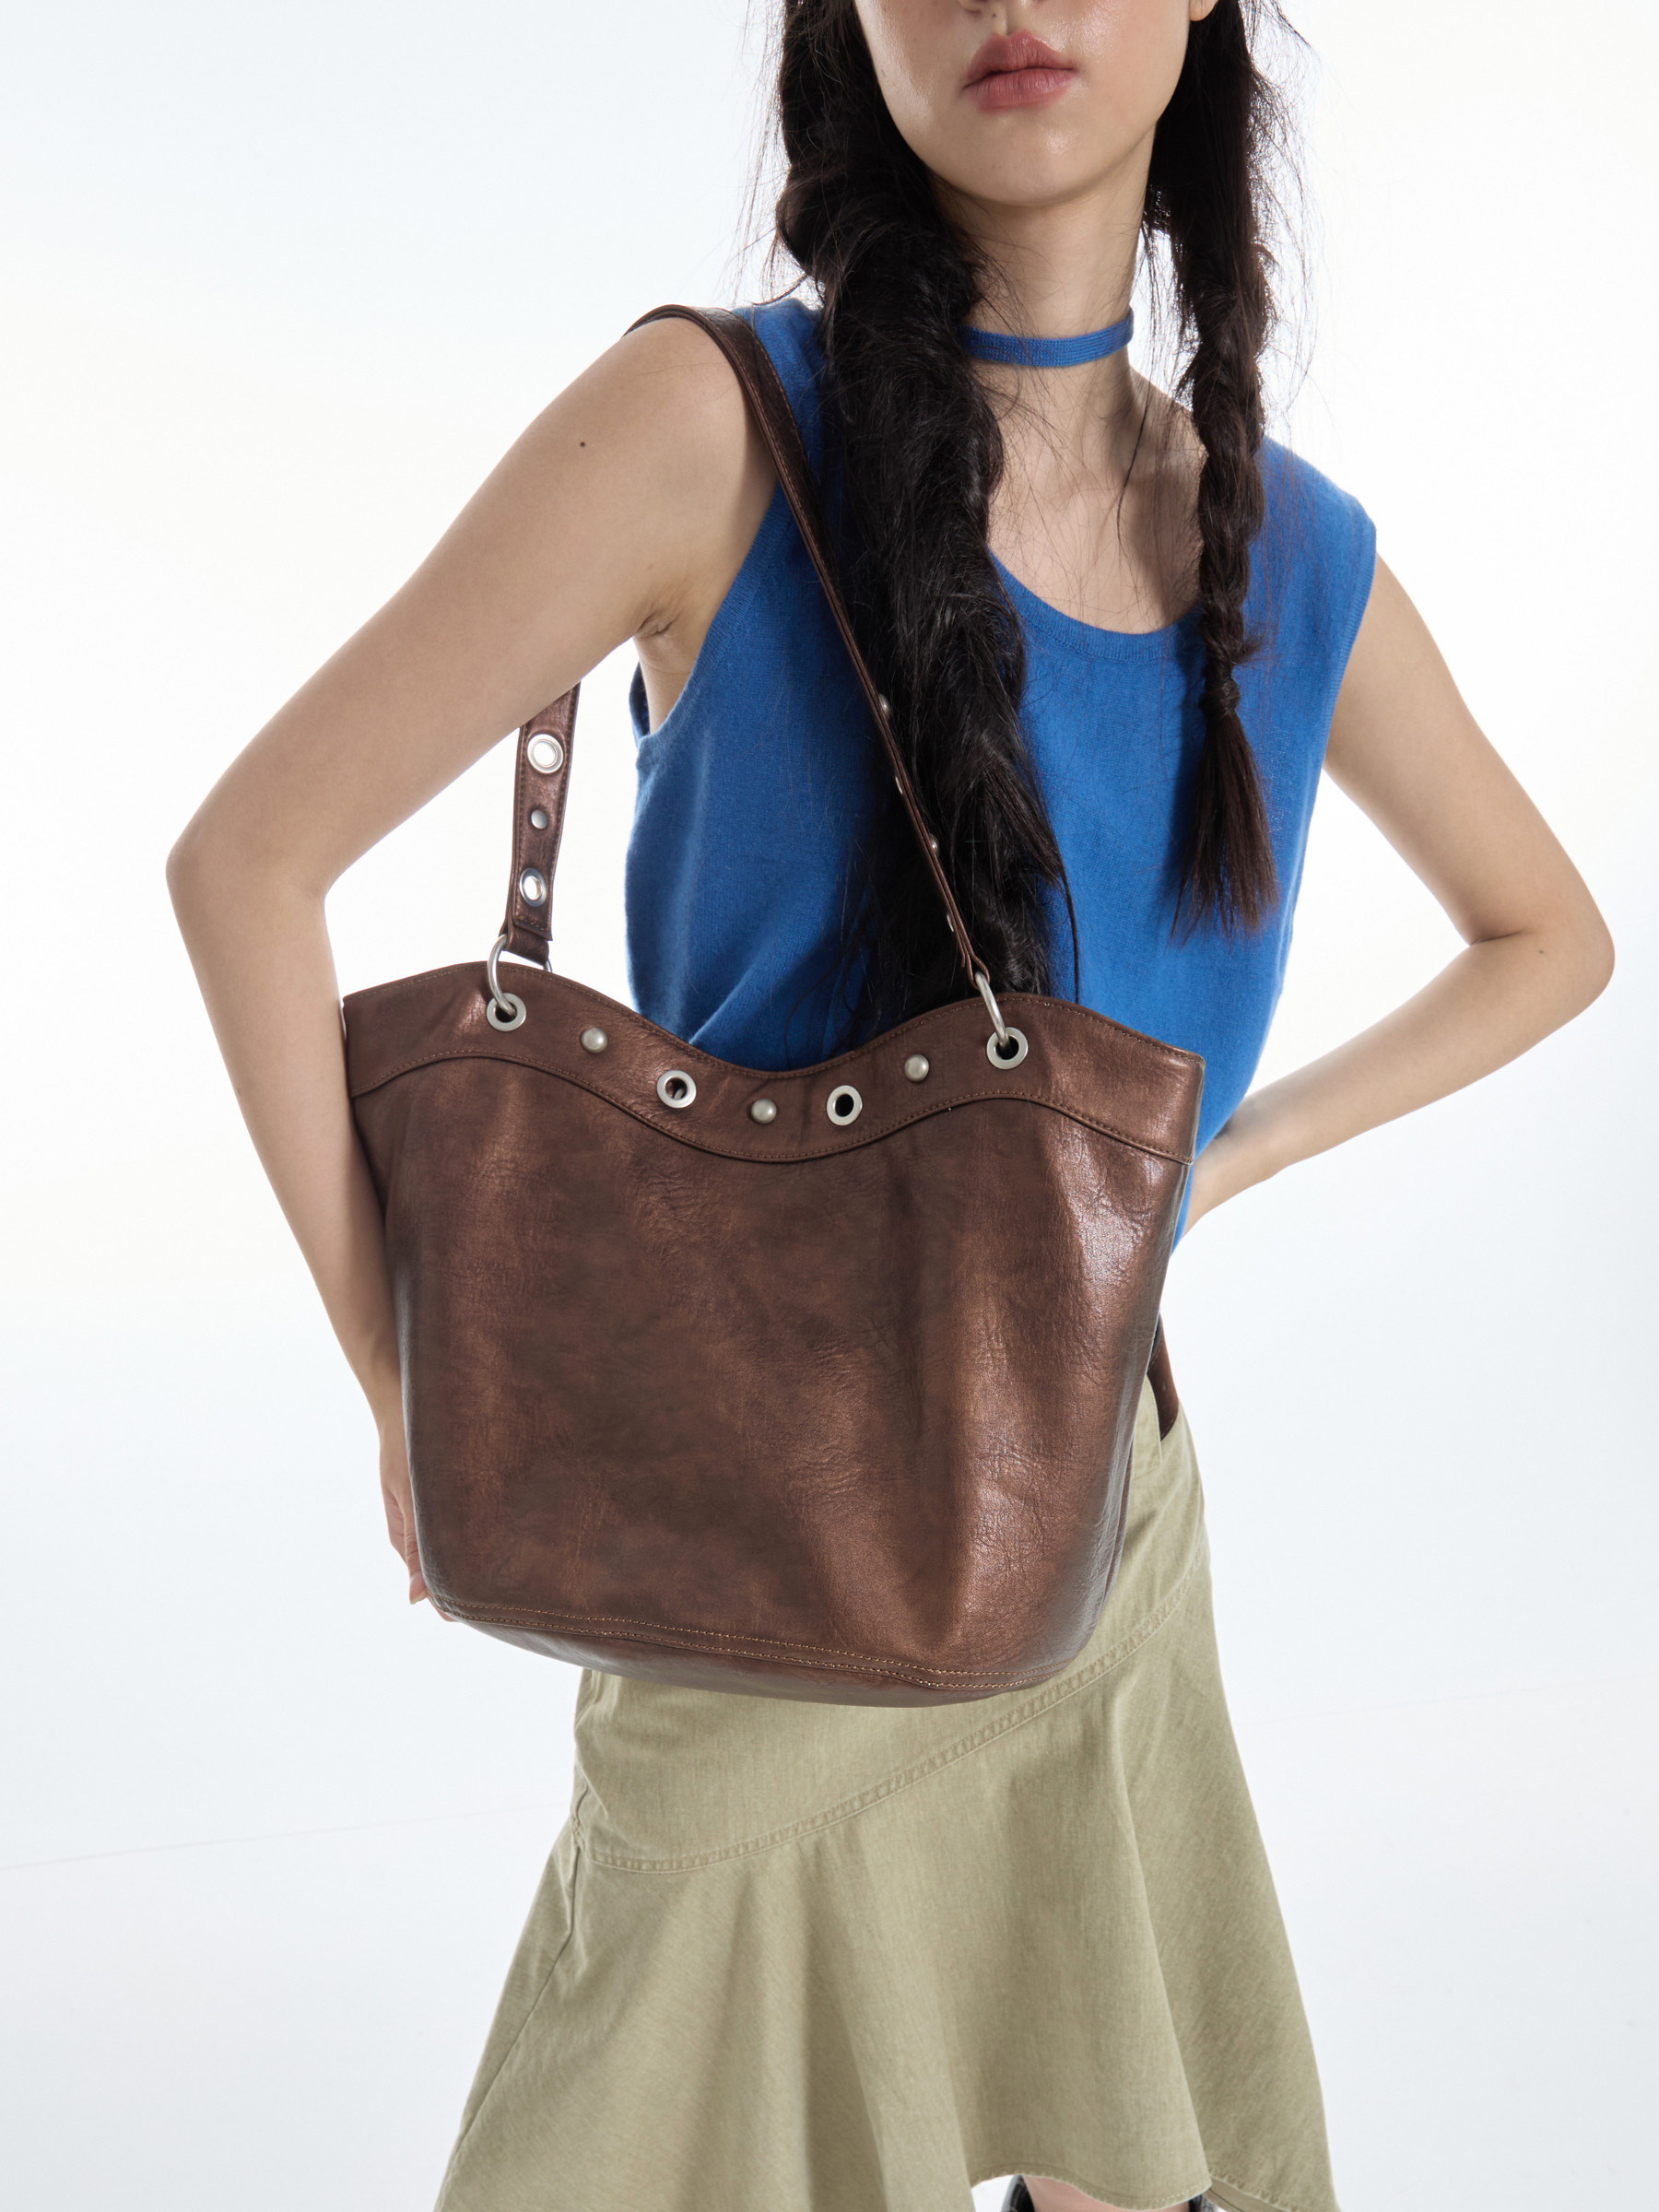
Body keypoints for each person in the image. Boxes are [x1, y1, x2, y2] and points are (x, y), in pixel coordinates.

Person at [166, 3, 1613, 2208]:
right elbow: (249, 863)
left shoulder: (1291, 555)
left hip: (1102, 1534)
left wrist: (1216, 1170)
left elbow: (1549, 936)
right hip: (759, 1575)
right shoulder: (709, 425)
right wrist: (401, 1374)